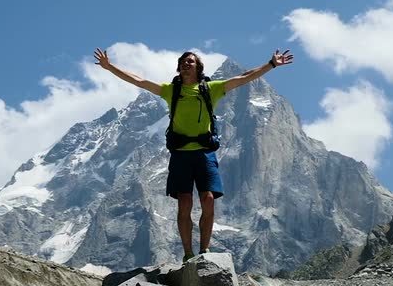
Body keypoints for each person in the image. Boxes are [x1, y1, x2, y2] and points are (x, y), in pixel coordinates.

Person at [94, 48, 293, 262]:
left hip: (204, 153)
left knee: (208, 200)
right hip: (180, 155)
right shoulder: (171, 91)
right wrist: (109, 67)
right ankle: (188, 254)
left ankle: (204, 250)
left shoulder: (211, 89)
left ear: (198, 67)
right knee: (184, 202)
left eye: (190, 61)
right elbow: (139, 81)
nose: (185, 64)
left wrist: (271, 64)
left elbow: (243, 78)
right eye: (183, 62)